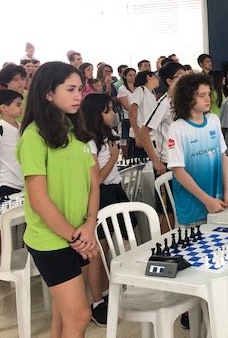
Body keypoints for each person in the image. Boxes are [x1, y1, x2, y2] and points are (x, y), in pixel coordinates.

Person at [16, 61, 99, 338]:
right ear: (49, 94)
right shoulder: (34, 137)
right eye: (70, 89)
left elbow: (93, 183)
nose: (78, 96)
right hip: (51, 240)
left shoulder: (75, 131)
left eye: (80, 89)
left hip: (79, 232)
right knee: (80, 315)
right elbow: (39, 200)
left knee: (63, 314)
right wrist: (76, 238)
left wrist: (89, 224)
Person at [81, 93, 134, 326]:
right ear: (95, 114)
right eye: (107, 110)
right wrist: (113, 157)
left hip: (114, 191)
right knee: (98, 250)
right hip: (101, 195)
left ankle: (108, 291)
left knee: (111, 244)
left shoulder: (106, 135)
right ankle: (97, 301)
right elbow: (97, 179)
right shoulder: (89, 141)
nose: (112, 114)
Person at [167, 73, 228, 227]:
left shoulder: (213, 120)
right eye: (201, 95)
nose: (208, 99)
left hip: (217, 201)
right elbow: (178, 171)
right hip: (192, 209)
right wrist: (206, 200)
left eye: (208, 94)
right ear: (187, 98)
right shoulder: (177, 128)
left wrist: (227, 190)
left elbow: (222, 157)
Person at [137, 62, 186, 176]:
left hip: (185, 157)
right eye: (180, 76)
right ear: (169, 81)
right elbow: (143, 132)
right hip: (169, 160)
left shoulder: (185, 101)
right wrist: (155, 161)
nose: (185, 79)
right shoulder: (164, 103)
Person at [129, 70, 160, 158]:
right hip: (141, 137)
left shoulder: (152, 94)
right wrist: (137, 135)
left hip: (151, 137)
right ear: (148, 77)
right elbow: (132, 111)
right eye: (155, 76)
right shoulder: (140, 90)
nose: (158, 79)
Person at [0, 89, 23, 195]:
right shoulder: (1, 128)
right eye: (18, 105)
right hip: (7, 183)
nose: (21, 108)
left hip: (23, 182)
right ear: (3, 107)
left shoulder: (23, 128)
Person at [116, 67, 136, 158]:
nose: (132, 77)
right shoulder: (122, 89)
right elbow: (126, 106)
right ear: (125, 76)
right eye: (130, 75)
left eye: (134, 75)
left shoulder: (138, 88)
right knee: (127, 140)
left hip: (139, 117)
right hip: (128, 117)